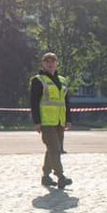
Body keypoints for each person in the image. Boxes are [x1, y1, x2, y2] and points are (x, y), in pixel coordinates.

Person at [29, 52, 72, 189]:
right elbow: (34, 102)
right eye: (47, 61)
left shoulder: (62, 80)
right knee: (55, 149)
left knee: (52, 149)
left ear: (57, 63)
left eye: (52, 61)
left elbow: (66, 101)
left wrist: (68, 119)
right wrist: (36, 121)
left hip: (59, 120)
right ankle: (60, 176)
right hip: (46, 121)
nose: (50, 64)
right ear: (43, 64)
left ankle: (46, 176)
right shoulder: (38, 80)